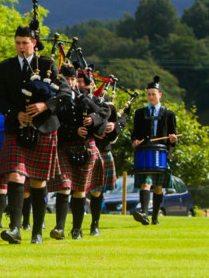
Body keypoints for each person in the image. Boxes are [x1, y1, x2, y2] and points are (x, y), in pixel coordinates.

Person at [0, 26, 70, 244]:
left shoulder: (47, 64)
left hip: (44, 128)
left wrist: (45, 105)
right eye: (17, 43)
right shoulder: (6, 67)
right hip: (17, 128)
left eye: (25, 43)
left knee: (38, 181)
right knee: (15, 175)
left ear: (33, 43)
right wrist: (15, 113)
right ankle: (15, 229)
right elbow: (0, 98)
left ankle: (37, 231)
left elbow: (65, 93)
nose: (20, 47)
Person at [49, 65, 109, 240]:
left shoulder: (85, 99)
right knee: (64, 186)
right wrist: (73, 131)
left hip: (86, 148)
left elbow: (104, 112)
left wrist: (93, 119)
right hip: (65, 146)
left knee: (80, 190)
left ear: (76, 80)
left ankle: (77, 229)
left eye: (72, 79)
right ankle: (59, 227)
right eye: (66, 80)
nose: (69, 83)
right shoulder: (56, 100)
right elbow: (53, 126)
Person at [131, 76, 177, 225]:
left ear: (160, 95)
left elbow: (173, 135)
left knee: (158, 187)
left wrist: (172, 139)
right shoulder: (139, 113)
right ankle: (144, 213)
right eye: (148, 94)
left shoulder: (169, 114)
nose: (151, 97)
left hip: (162, 154)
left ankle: (155, 217)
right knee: (146, 183)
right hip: (145, 153)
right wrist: (134, 141)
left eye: (153, 94)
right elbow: (134, 134)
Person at [89, 100, 127, 235]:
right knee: (78, 189)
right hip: (83, 147)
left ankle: (95, 224)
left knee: (97, 190)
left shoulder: (103, 101)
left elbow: (122, 119)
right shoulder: (82, 98)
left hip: (103, 148)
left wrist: (114, 125)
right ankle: (75, 227)